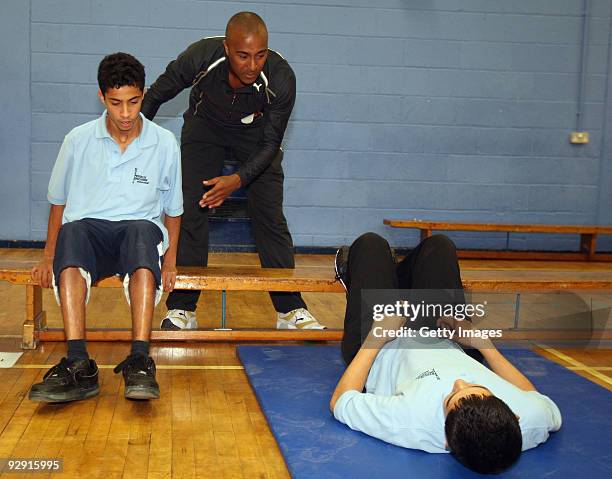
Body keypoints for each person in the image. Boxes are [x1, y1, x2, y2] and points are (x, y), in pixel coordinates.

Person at [141, 11, 325, 331]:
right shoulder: (200, 56)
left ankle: (290, 309)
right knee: (190, 208)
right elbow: (156, 95)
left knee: (269, 214)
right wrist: (133, 143)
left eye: (260, 55)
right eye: (243, 56)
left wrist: (237, 180)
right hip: (205, 129)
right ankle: (183, 308)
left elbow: (270, 145)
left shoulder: (281, 79)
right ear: (227, 48)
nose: (252, 65)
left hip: (256, 138)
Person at [330, 233, 562, 474]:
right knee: (439, 246)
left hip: (380, 346)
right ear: (515, 415)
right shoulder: (532, 419)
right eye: (477, 387)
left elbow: (341, 401)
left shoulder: (410, 422)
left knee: (371, 245)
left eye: (451, 397)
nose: (459, 382)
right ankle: (392, 280)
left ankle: (372, 275)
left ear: (446, 440)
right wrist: (483, 344)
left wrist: (376, 337)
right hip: (448, 338)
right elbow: (535, 398)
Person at [28, 52, 183, 402]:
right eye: (116, 103)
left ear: (143, 95)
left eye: (133, 102)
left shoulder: (164, 143)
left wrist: (171, 262)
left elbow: (174, 211)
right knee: (73, 231)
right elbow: (59, 203)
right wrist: (47, 256)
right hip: (89, 233)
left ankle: (140, 359)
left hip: (138, 232)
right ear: (102, 97)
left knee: (144, 232)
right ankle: (78, 363)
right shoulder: (77, 139)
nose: (125, 113)